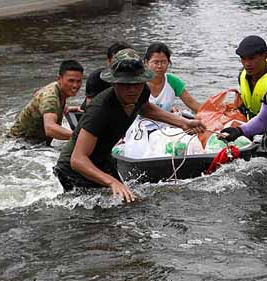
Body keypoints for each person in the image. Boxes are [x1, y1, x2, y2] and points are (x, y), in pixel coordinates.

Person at [54, 49, 205, 202]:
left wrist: (183, 123)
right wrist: (111, 182)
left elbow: (145, 107)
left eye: (137, 83)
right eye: (126, 84)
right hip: (74, 170)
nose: (132, 90)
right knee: (95, 217)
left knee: (131, 202)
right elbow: (77, 159)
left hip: (103, 159)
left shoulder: (141, 91)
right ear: (114, 83)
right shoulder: (99, 110)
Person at [9, 60, 84, 145]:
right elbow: (50, 129)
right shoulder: (50, 97)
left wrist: (68, 108)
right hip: (19, 146)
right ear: (59, 79)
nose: (75, 86)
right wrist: (81, 137)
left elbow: (49, 106)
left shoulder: (56, 87)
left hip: (31, 144)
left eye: (79, 81)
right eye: (71, 81)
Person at [235, 35, 267, 120]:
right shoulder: (242, 74)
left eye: (252, 58)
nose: (247, 64)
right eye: (243, 58)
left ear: (265, 56)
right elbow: (245, 107)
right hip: (251, 124)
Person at [144, 42, 200, 114]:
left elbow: (192, 104)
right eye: (155, 62)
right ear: (146, 62)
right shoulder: (139, 82)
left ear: (169, 62)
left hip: (166, 124)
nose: (160, 66)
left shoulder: (173, 81)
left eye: (164, 62)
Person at [80, 41, 132, 111]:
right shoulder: (96, 77)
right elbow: (91, 107)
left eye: (125, 61)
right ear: (109, 61)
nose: (121, 66)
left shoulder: (138, 79)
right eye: (116, 61)